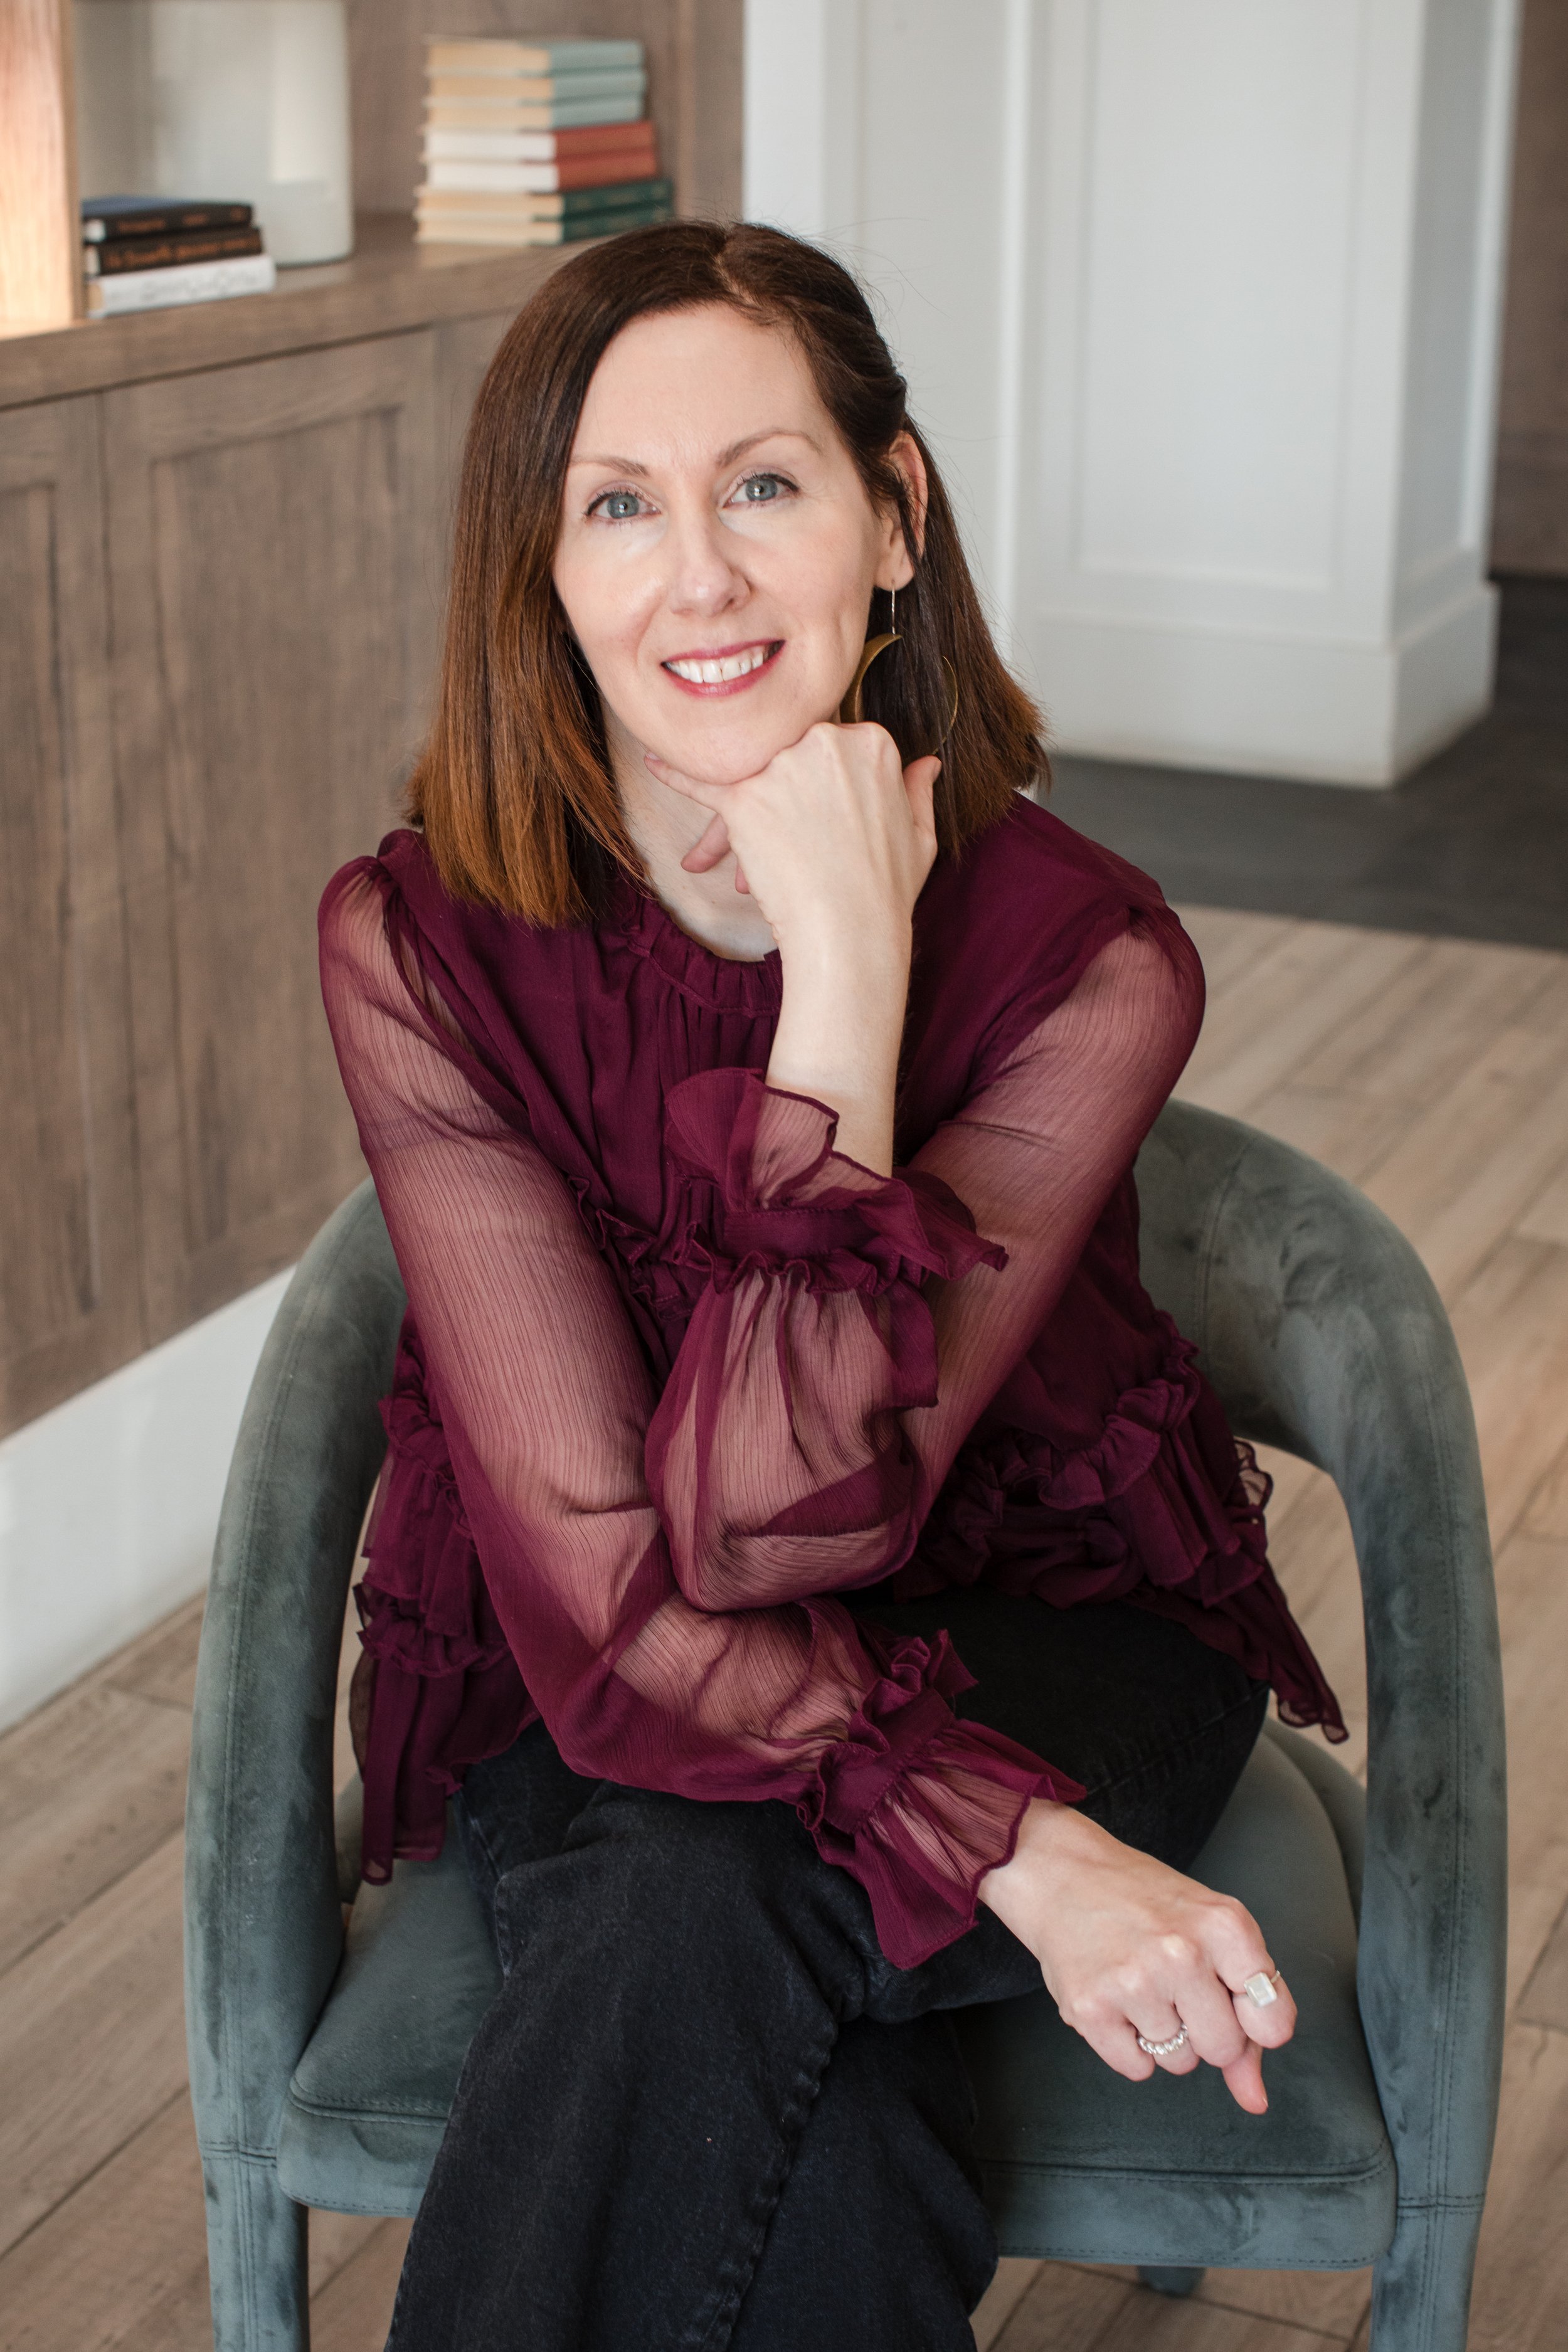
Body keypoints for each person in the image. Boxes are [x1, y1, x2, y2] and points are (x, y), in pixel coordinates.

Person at [318, 221, 1345, 2352]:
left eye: (762, 486)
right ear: (545, 570)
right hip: (591, 1666)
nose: (695, 577)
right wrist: (1025, 1863)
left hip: (1040, 1634)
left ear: (894, 518)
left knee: (687, 1915)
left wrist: (847, 980)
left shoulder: (1091, 956)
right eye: (618, 507)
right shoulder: (416, 940)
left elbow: (790, 1522)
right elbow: (636, 1589)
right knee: (778, 2057)